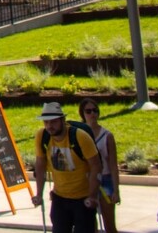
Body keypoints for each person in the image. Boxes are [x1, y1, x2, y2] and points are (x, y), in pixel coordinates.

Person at [33, 101, 100, 233]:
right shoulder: (42, 136)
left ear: (62, 120)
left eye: (53, 122)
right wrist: (39, 194)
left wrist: (92, 196)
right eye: (46, 122)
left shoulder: (80, 137)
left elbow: (96, 167)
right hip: (60, 198)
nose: (49, 126)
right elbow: (40, 166)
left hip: (82, 198)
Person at [79, 99, 120, 233]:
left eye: (95, 110)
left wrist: (116, 190)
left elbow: (113, 164)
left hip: (105, 180)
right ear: (82, 113)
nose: (92, 114)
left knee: (109, 225)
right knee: (90, 224)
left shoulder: (107, 136)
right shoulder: (78, 134)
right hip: (86, 181)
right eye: (88, 111)